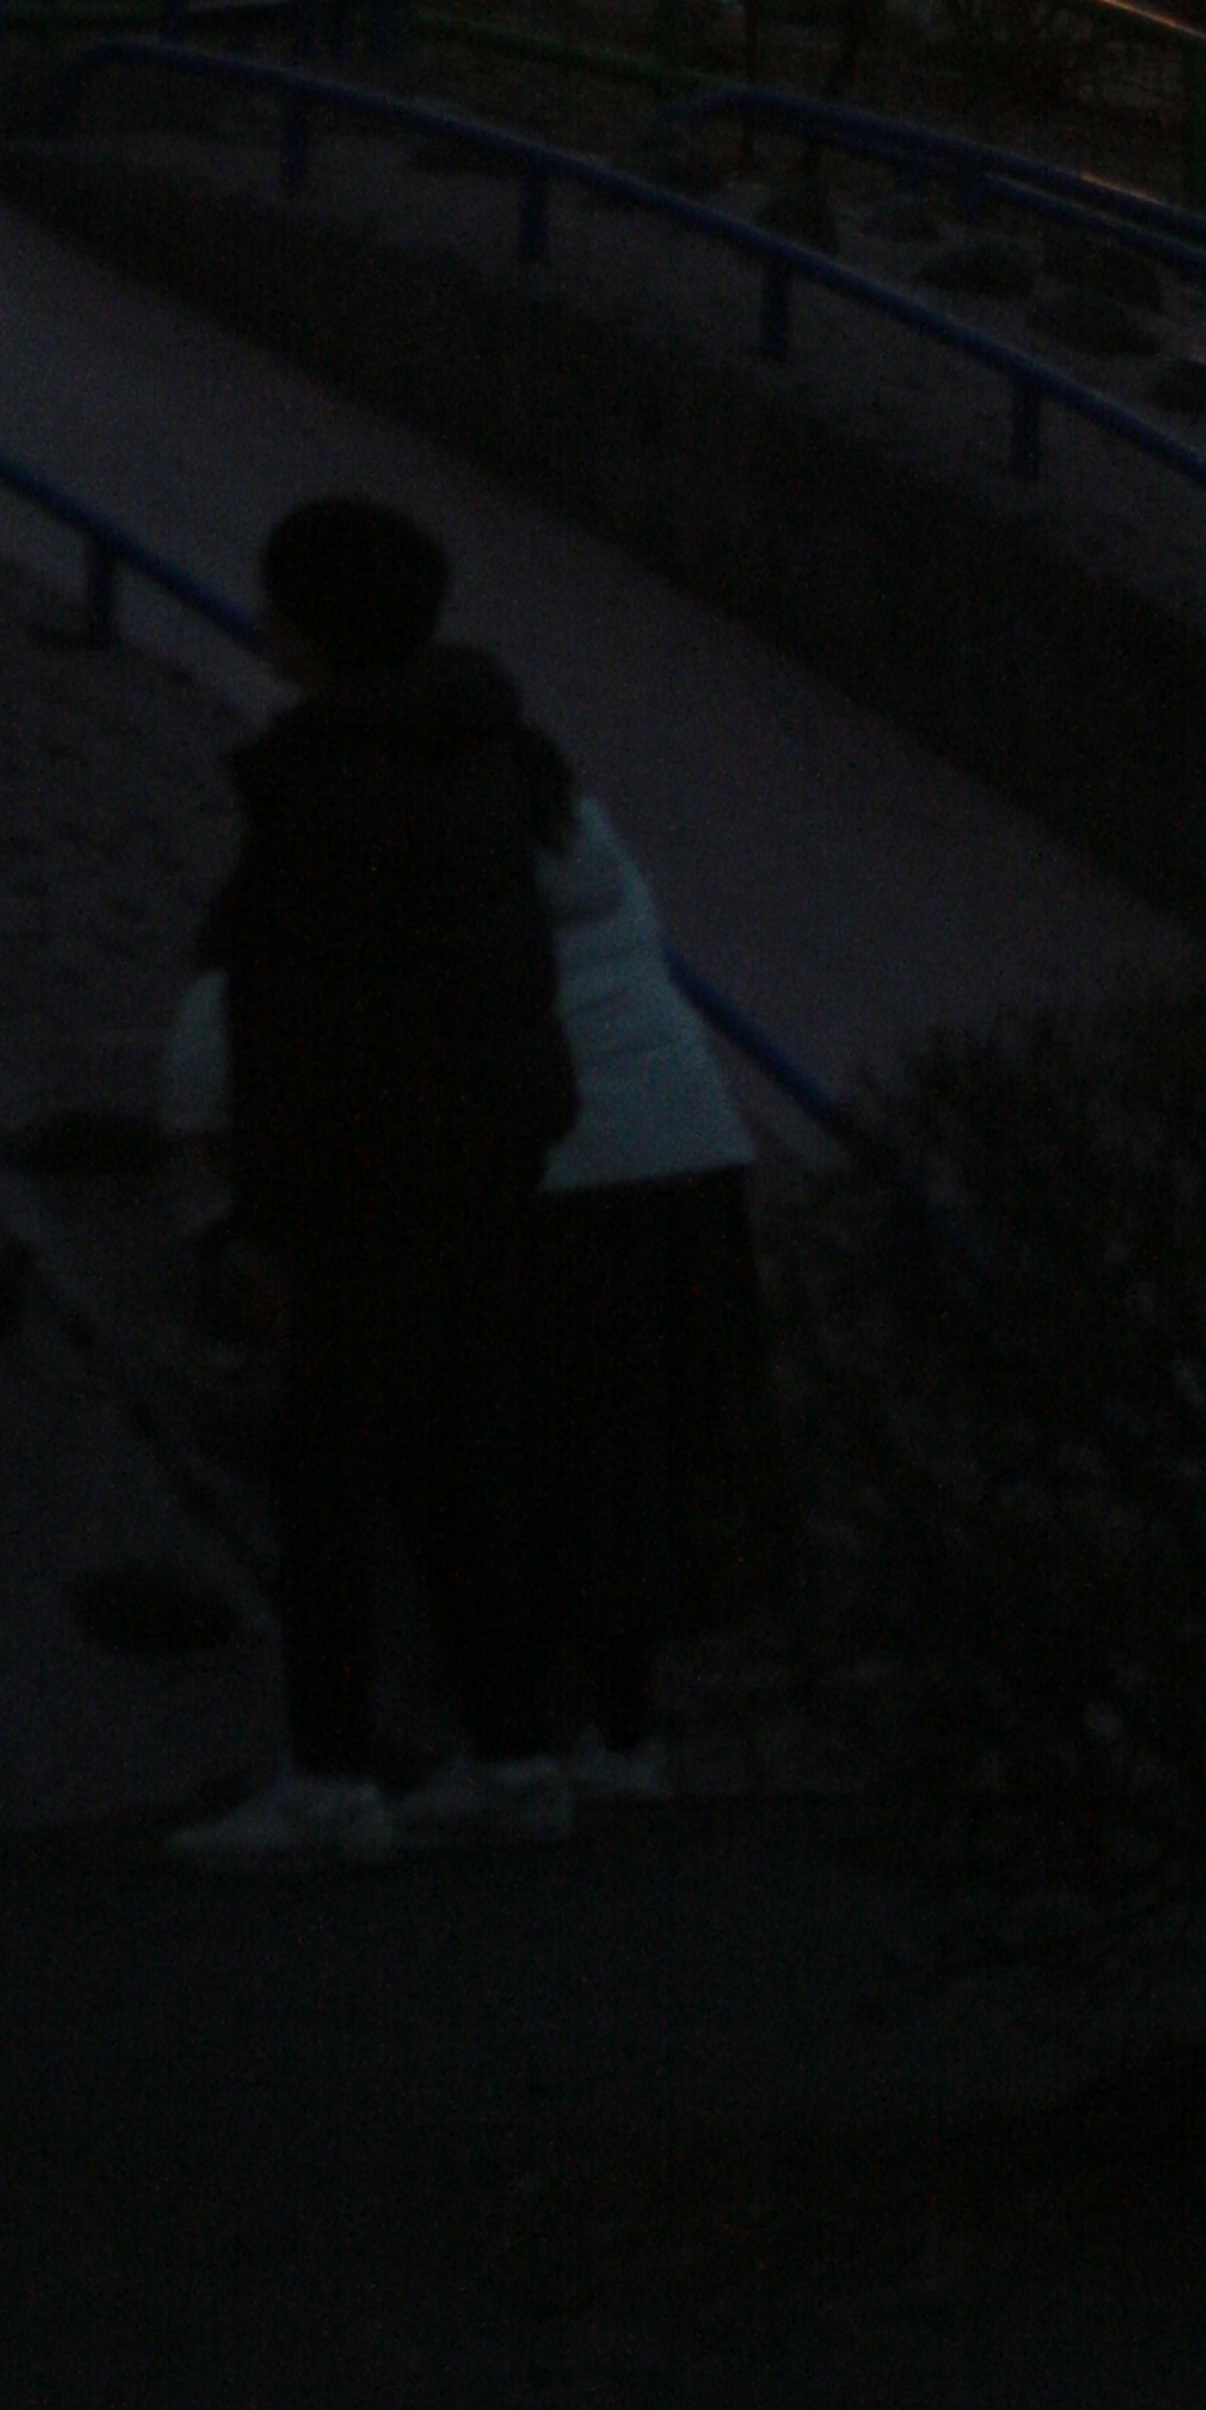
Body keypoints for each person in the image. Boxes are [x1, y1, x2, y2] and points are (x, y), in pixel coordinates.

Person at [165, 498, 576, 1874]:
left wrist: (261, 1204)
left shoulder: (326, 781)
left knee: (328, 1461)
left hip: (373, 1157)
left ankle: (331, 1776)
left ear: (316, 625)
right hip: (484, 1138)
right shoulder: (479, 750)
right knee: (453, 1448)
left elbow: (300, 1015)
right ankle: (515, 1750)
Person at [521, 736, 780, 1798]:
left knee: (587, 1448)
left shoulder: (472, 872)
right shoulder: (599, 850)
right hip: (693, 1142)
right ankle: (650, 1715)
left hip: (577, 1173)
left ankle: (601, 1723)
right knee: (678, 1436)